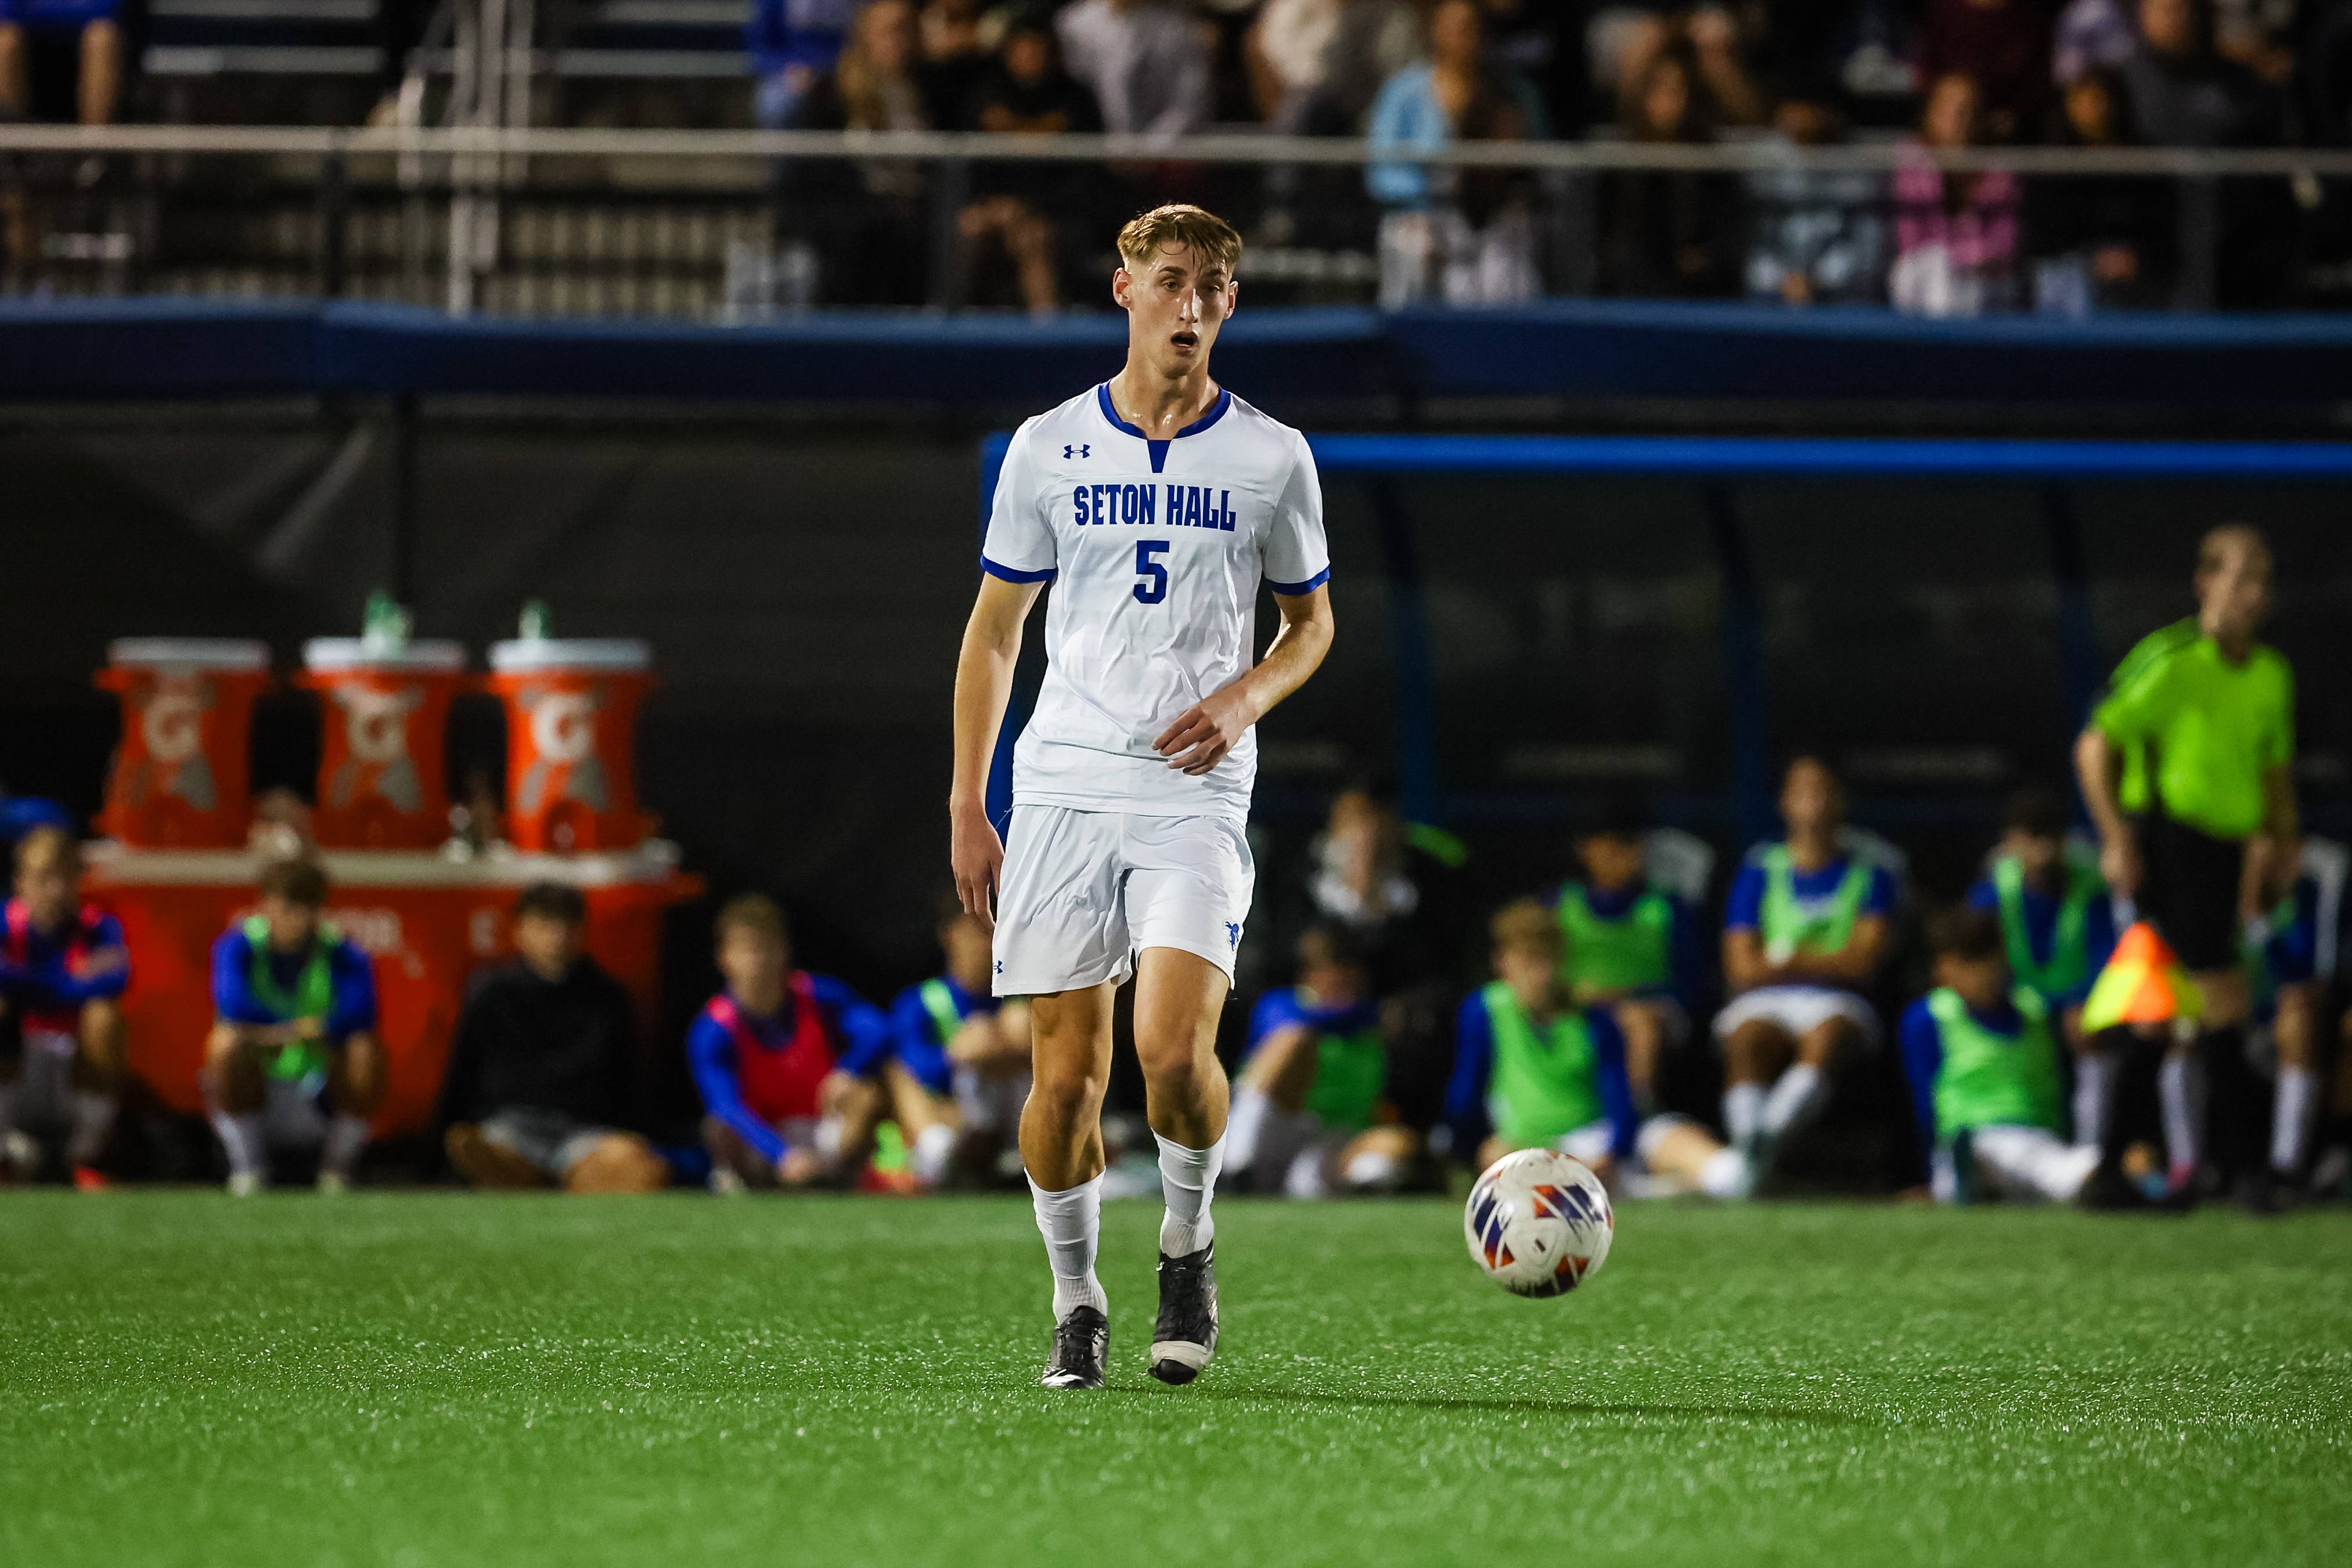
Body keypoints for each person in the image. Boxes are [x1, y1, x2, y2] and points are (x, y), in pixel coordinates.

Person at [949, 203, 1335, 1390]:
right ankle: (1076, 1300)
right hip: (1062, 781)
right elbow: (994, 635)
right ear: (1123, 292)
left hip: (1194, 788)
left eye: (1213, 286)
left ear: (1232, 304)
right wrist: (972, 796)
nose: (1192, 305)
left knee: (1173, 1050)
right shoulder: (1047, 445)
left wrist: (1244, 700)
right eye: (1171, 281)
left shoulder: (1273, 454)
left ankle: (1186, 1243)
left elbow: (1311, 625)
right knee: (1062, 1081)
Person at [2077, 524, 2296, 1209]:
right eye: (2237, 579)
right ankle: (2249, 1174)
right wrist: (2115, 838)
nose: (2251, 595)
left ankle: (2114, 1170)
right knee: (2219, 997)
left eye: (2260, 581)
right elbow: (2094, 746)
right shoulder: (2170, 659)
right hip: (2169, 841)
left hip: (2225, 851)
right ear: (2205, 583)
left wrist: (2280, 842)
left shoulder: (2269, 675)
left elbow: (2273, 773)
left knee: (2163, 1012)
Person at [1449, 900, 1742, 1198]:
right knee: (1498, 1155)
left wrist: (1612, 1154)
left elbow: (1621, 1102)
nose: (1542, 974)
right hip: (1531, 1147)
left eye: (1551, 960)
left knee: (1724, 1171)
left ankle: (1640, 1184)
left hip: (1598, 1143)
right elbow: (1465, 1101)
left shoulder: (1594, 1018)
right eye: (1530, 960)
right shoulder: (1483, 1012)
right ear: (1502, 962)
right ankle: (1638, 1188)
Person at [1715, 756, 1899, 1194]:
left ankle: (1763, 1145)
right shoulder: (1761, 867)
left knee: (1827, 1034)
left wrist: (1785, 959)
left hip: (1839, 1001)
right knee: (1747, 1038)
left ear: (1840, 801)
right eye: (1801, 790)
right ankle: (1749, 1151)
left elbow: (1862, 962)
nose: (1812, 802)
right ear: (1784, 802)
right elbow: (1740, 966)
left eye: (1822, 790)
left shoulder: (1871, 869)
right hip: (1766, 999)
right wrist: (1826, 956)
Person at [436, 882, 668, 1194]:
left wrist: (632, 1138)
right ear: (520, 930)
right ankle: (526, 1173)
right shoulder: (490, 992)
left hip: (586, 1134)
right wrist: (435, 1157)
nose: (558, 936)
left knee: (634, 1165)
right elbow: (461, 1073)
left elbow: (630, 1080)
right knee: (472, 1144)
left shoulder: (609, 998)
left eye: (568, 925)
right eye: (546, 924)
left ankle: (565, 1178)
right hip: (512, 1127)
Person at [687, 893, 898, 1192]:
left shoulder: (818, 998)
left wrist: (849, 1070)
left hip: (822, 1127)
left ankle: (839, 1179)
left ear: (784, 950)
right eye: (747, 950)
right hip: (764, 1142)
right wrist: (782, 1155)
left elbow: (878, 1031)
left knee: (864, 1095)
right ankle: (754, 1184)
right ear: (724, 958)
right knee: (718, 1129)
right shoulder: (713, 1030)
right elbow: (725, 1105)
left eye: (766, 947)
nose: (758, 960)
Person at [201, 858, 383, 1196]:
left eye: (308, 908)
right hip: (259, 1089)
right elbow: (232, 1005)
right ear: (265, 905)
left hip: (317, 1091)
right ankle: (248, 1169)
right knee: (226, 1044)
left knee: (363, 1049)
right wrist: (296, 1030)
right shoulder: (237, 946)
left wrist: (310, 1031)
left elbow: (362, 1011)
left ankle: (336, 1171)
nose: (298, 920)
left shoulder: (341, 951)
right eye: (288, 907)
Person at [1899, 907, 2101, 1204]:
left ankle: (1969, 1183)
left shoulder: (2038, 1011)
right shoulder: (1929, 1018)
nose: (1983, 972)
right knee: (2046, 1168)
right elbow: (1923, 1102)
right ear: (1943, 968)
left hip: (2036, 1136)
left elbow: (2062, 1082)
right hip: (1971, 1136)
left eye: (1987, 959)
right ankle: (1966, 1175)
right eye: (1969, 962)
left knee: (2039, 1161)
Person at [1366, 0, 1550, 307]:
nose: (1462, 36)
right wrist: (1426, 202)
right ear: (1434, 29)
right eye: (1452, 27)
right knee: (1411, 243)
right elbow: (1382, 169)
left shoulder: (1510, 91)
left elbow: (1539, 156)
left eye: (1469, 27)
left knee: (1509, 255)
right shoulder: (1403, 92)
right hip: (1422, 214)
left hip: (1492, 214)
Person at [1965, 784, 2119, 1147]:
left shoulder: (2091, 892)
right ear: (2011, 841)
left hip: (2075, 1013)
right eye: (2033, 838)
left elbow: (2108, 958)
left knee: (2097, 1035)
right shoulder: (1990, 895)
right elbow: (1974, 962)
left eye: (2052, 837)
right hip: (2012, 1010)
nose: (2044, 851)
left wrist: (2086, 1001)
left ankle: (2091, 1152)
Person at [1225, 924, 1417, 1197]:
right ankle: (1232, 1169)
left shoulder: (1371, 1034)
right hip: (1271, 1139)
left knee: (1398, 1141)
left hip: (1326, 1148)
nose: (1345, 982)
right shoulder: (1281, 1005)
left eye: (1352, 973)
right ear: (1309, 975)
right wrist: (1369, 1016)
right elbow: (1300, 1028)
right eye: (1334, 970)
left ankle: (1363, 1184)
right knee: (1294, 1041)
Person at [1550, 798, 1702, 1113]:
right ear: (1585, 849)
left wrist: (1624, 996)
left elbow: (1693, 986)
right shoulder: (1558, 905)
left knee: (1638, 1020)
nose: (1627, 853)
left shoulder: (1665, 907)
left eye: (1634, 842)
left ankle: (1637, 1117)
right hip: (1575, 1010)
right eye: (1615, 843)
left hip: (1650, 1014)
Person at [0, 826, 126, 1188]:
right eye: (43, 877)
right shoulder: (5, 925)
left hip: (75, 1066)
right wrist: (69, 980)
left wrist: (24, 983)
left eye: (65, 876)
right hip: (18, 1065)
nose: (55, 890)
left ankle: (85, 1160)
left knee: (105, 1016)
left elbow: (116, 979)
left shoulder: (98, 927)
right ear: (20, 881)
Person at [961, 16, 1105, 314]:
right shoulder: (985, 94)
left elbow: (1087, 173)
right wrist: (997, 206)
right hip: (994, 206)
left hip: (1056, 212)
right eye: (1022, 49)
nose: (1030, 57)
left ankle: (1046, 332)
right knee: (970, 228)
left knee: (1031, 238)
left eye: (1038, 49)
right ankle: (944, 324)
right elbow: (967, 165)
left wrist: (1029, 208)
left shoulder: (1075, 99)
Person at [889, 893, 1032, 1189]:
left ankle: (1024, 1154)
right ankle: (946, 1165)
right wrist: (958, 1054)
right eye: (975, 930)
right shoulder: (922, 1002)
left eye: (993, 929)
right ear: (949, 935)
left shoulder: (1018, 1004)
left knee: (1020, 1028)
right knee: (898, 1074)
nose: (986, 943)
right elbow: (915, 1071)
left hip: (1014, 1122)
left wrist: (1005, 1046)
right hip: (954, 1120)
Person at [1595, 38, 1740, 299]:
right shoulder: (1619, 166)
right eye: (1657, 88)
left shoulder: (1711, 165)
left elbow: (1728, 245)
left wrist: (1704, 259)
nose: (1665, 102)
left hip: (1697, 299)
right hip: (1628, 298)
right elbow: (1604, 247)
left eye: (1676, 90)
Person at [1890, 73, 2022, 316]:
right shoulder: (1912, 159)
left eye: (1968, 109)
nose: (1959, 119)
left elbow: (2004, 245)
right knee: (1936, 268)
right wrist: (1959, 259)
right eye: (1949, 107)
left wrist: (1965, 260)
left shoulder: (2000, 166)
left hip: (1984, 282)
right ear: (1932, 113)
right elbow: (1911, 241)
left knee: (1968, 284)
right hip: (1928, 279)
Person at [1054, 0, 1210, 138]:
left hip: (1165, 151)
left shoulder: (1177, 29)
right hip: (1093, 150)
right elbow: (1070, 94)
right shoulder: (1073, 24)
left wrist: (1150, 148)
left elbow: (1190, 100)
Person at [1916, 0, 2058, 143]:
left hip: (2018, 131)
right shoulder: (1943, 9)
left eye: (1965, 115)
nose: (1959, 123)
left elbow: (2042, 80)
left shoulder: (2033, 14)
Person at [0, 0, 125, 126]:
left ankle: (96, 140)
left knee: (102, 36)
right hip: (31, 50)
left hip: (88, 45)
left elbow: (106, 12)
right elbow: (8, 13)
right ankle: (10, 139)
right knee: (6, 40)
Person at [747, 0, 860, 128]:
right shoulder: (773, 3)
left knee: (868, 94)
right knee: (773, 104)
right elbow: (762, 49)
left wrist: (851, 67)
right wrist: (789, 69)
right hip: (791, 71)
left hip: (848, 67)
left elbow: (867, 34)